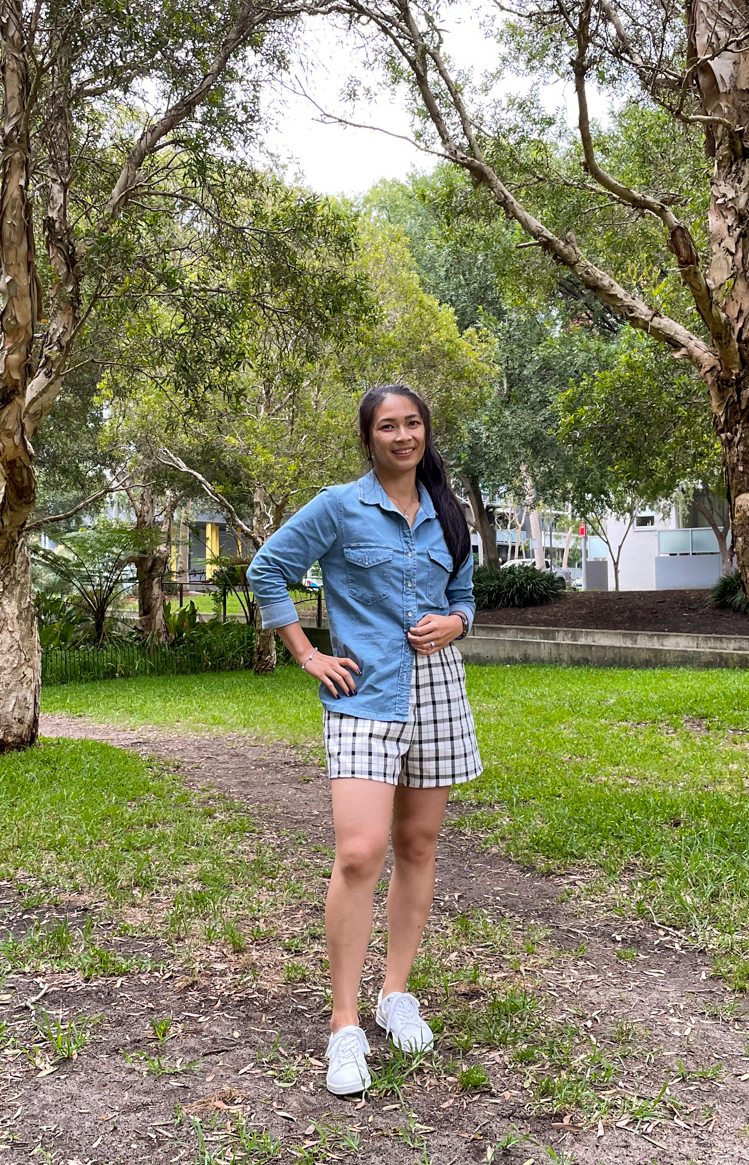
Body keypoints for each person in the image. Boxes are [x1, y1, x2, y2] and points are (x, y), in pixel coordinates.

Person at [247, 383, 481, 1097]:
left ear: (425, 431)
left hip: (438, 690)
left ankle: (395, 995)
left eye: (413, 423)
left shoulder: (449, 512)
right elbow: (268, 571)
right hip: (362, 696)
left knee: (418, 846)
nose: (403, 436)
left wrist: (457, 624)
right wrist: (307, 653)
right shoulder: (339, 506)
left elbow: (465, 596)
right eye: (389, 426)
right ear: (369, 437)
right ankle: (344, 1024)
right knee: (359, 852)